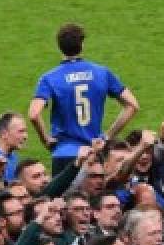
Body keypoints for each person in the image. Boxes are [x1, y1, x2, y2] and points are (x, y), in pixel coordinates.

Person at [30, 22, 139, 173]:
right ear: (82, 45)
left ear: (59, 46)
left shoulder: (49, 78)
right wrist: (107, 136)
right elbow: (132, 105)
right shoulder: (102, 73)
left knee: (62, 196)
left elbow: (34, 114)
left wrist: (46, 139)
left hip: (65, 153)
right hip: (93, 152)